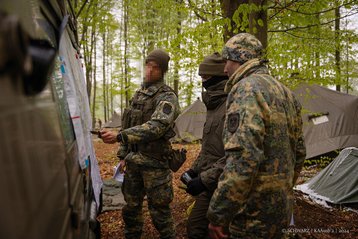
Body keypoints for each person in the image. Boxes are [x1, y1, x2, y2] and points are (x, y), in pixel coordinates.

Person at [207, 33, 306, 239]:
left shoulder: (245, 90)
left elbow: (243, 159)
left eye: (227, 61)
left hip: (252, 215)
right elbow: (299, 152)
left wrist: (219, 213)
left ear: (239, 58)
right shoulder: (286, 93)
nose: (225, 69)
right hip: (281, 211)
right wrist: (282, 189)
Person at [100, 49, 180, 239]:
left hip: (155, 164)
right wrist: (122, 156)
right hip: (133, 162)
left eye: (155, 67)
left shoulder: (167, 97)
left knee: (160, 212)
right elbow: (130, 124)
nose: (150, 70)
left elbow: (156, 127)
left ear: (162, 71)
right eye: (148, 65)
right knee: (130, 208)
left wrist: (120, 136)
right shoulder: (138, 96)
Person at [180, 52, 228, 239]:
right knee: (195, 227)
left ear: (220, 76)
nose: (203, 82)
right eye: (201, 77)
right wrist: (194, 170)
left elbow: (236, 155)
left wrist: (203, 180)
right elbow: (209, 148)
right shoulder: (213, 105)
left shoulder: (232, 104)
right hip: (210, 182)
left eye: (206, 77)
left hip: (226, 183)